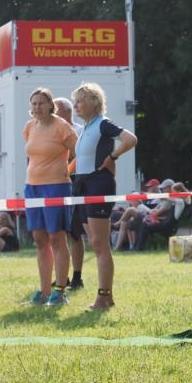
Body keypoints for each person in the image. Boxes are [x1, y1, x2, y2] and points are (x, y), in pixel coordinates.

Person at [71, 82, 138, 311]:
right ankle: (106, 296)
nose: (76, 105)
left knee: (100, 244)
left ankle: (103, 297)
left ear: (93, 102)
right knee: (95, 243)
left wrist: (113, 157)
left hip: (98, 185)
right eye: (75, 101)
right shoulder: (86, 128)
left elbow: (130, 139)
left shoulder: (103, 124)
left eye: (80, 101)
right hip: (83, 186)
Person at [23, 88, 78, 306]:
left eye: (41, 103)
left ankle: (60, 291)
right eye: (34, 103)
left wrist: (67, 171)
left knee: (56, 238)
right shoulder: (29, 127)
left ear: (50, 105)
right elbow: (31, 156)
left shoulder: (62, 126)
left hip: (56, 187)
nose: (37, 107)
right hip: (32, 188)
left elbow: (79, 153)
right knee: (39, 239)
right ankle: (44, 291)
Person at [55, 97, 85, 290]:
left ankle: (77, 277)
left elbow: (80, 157)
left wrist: (67, 170)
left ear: (66, 111)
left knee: (74, 231)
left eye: (55, 110)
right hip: (55, 183)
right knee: (57, 232)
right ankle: (61, 276)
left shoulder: (80, 131)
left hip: (75, 183)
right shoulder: (50, 130)